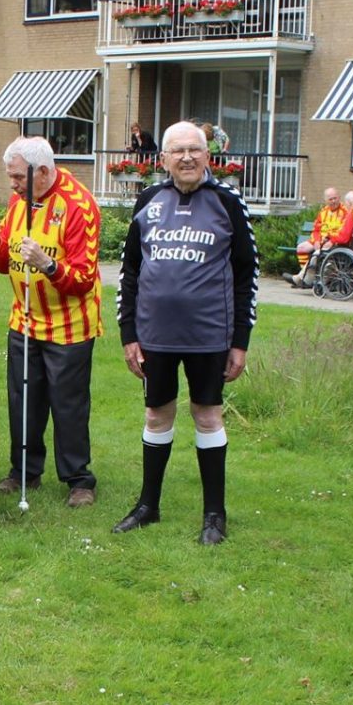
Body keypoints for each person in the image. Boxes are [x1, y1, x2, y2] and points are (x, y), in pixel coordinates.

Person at [113, 121, 257, 545]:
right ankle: (147, 506)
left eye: (195, 149)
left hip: (209, 334)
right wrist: (128, 334)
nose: (188, 157)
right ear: (164, 159)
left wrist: (240, 341)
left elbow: (246, 276)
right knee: (157, 415)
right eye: (178, 151)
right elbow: (131, 273)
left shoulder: (228, 203)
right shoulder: (148, 200)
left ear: (208, 155)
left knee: (207, 415)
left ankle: (215, 515)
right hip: (155, 334)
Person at [0, 136, 102, 507]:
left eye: (17, 177)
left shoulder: (79, 206)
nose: (11, 185)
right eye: (10, 177)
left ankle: (79, 479)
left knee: (68, 403)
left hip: (69, 325)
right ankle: (23, 470)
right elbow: (5, 264)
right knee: (23, 400)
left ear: (43, 172)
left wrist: (48, 265)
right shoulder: (19, 201)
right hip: (25, 321)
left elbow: (82, 279)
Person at [289, 186, 353, 289]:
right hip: (320, 239)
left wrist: (330, 240)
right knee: (301, 248)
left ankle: (304, 278)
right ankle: (307, 276)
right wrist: (316, 241)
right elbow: (316, 229)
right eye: (330, 199)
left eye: (335, 198)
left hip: (332, 241)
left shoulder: (345, 212)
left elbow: (342, 234)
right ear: (326, 200)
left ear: (339, 197)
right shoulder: (323, 212)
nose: (333, 201)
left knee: (318, 253)